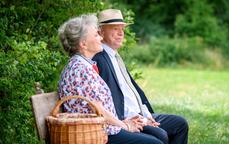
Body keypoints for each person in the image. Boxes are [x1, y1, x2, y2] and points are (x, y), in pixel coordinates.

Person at [57, 14, 163, 144]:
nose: (101, 38)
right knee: (155, 143)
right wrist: (125, 125)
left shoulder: (83, 65)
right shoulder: (80, 70)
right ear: (83, 44)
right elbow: (99, 109)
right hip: (97, 134)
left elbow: (101, 108)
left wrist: (124, 122)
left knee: (157, 138)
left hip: (103, 129)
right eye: (96, 35)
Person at [93, 9, 189, 144]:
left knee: (180, 124)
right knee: (160, 135)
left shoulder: (115, 57)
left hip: (140, 114)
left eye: (122, 29)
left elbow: (131, 92)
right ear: (101, 32)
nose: (121, 33)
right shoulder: (100, 59)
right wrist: (142, 120)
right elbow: (114, 102)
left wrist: (147, 115)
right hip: (126, 119)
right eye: (115, 29)